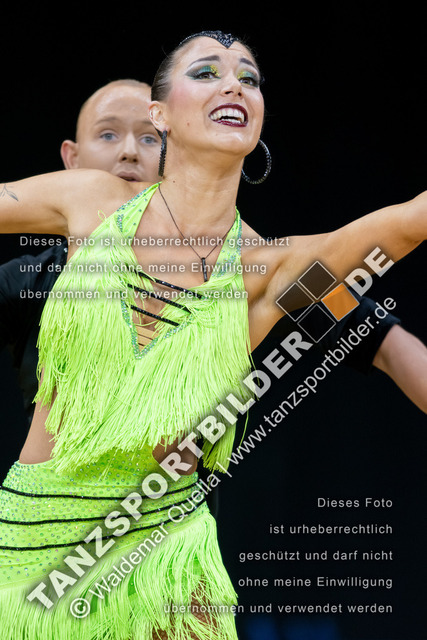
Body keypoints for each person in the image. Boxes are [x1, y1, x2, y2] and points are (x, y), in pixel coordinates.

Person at [0, 30, 426, 640]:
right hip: (30, 548)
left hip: (167, 562)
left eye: (249, 79)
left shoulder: (270, 270)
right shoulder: (89, 203)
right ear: (161, 113)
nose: (233, 86)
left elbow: (405, 229)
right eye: (207, 72)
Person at [0, 78, 161, 424]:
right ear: (71, 158)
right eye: (108, 135)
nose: (129, 151)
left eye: (151, 138)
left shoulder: (217, 266)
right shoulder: (26, 281)